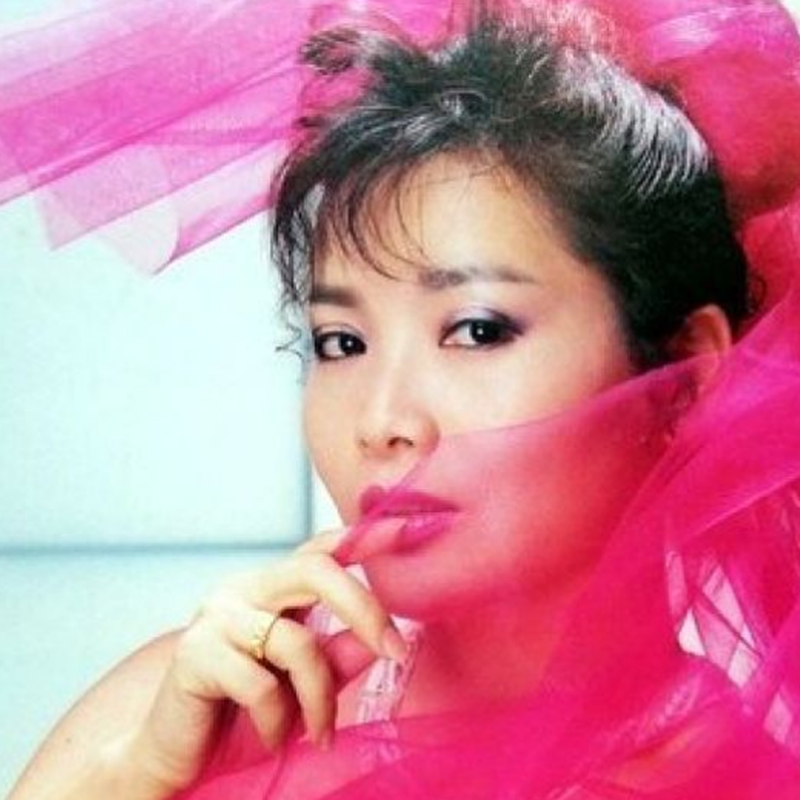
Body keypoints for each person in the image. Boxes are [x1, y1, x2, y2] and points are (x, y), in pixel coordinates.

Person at [3, 0, 800, 798]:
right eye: (340, 342)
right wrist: (134, 772)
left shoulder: (728, 780)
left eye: (477, 330)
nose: (382, 421)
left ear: (685, 375)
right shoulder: (184, 709)